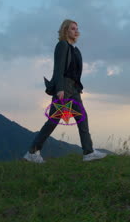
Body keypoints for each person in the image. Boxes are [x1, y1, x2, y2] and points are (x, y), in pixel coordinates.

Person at [23, 19, 107, 163]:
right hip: (64, 88)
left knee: (82, 118)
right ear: (65, 30)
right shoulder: (62, 45)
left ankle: (88, 152)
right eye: (73, 28)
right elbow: (59, 68)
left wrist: (76, 88)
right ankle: (32, 152)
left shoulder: (75, 49)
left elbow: (75, 71)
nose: (76, 31)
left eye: (76, 28)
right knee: (53, 121)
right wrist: (60, 88)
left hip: (74, 89)